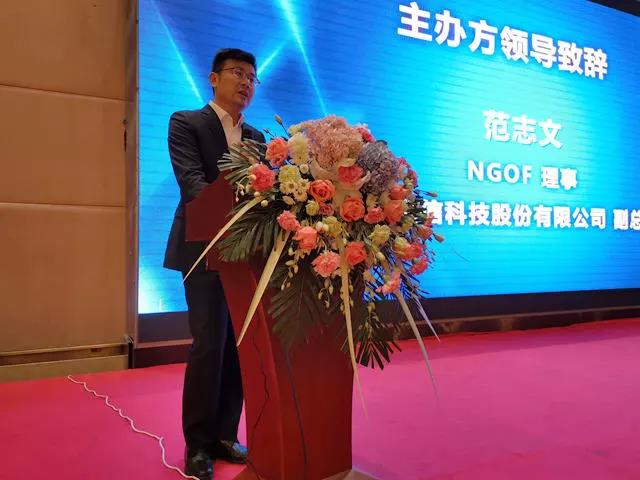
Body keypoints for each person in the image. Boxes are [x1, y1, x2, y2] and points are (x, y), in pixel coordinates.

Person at [163, 48, 265, 480]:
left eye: (252, 78)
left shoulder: (258, 137)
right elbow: (192, 183)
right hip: (203, 249)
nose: (245, 83)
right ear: (213, 78)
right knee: (208, 344)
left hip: (246, 256)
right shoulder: (187, 123)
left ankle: (225, 434)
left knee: (239, 348)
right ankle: (198, 445)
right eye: (237, 73)